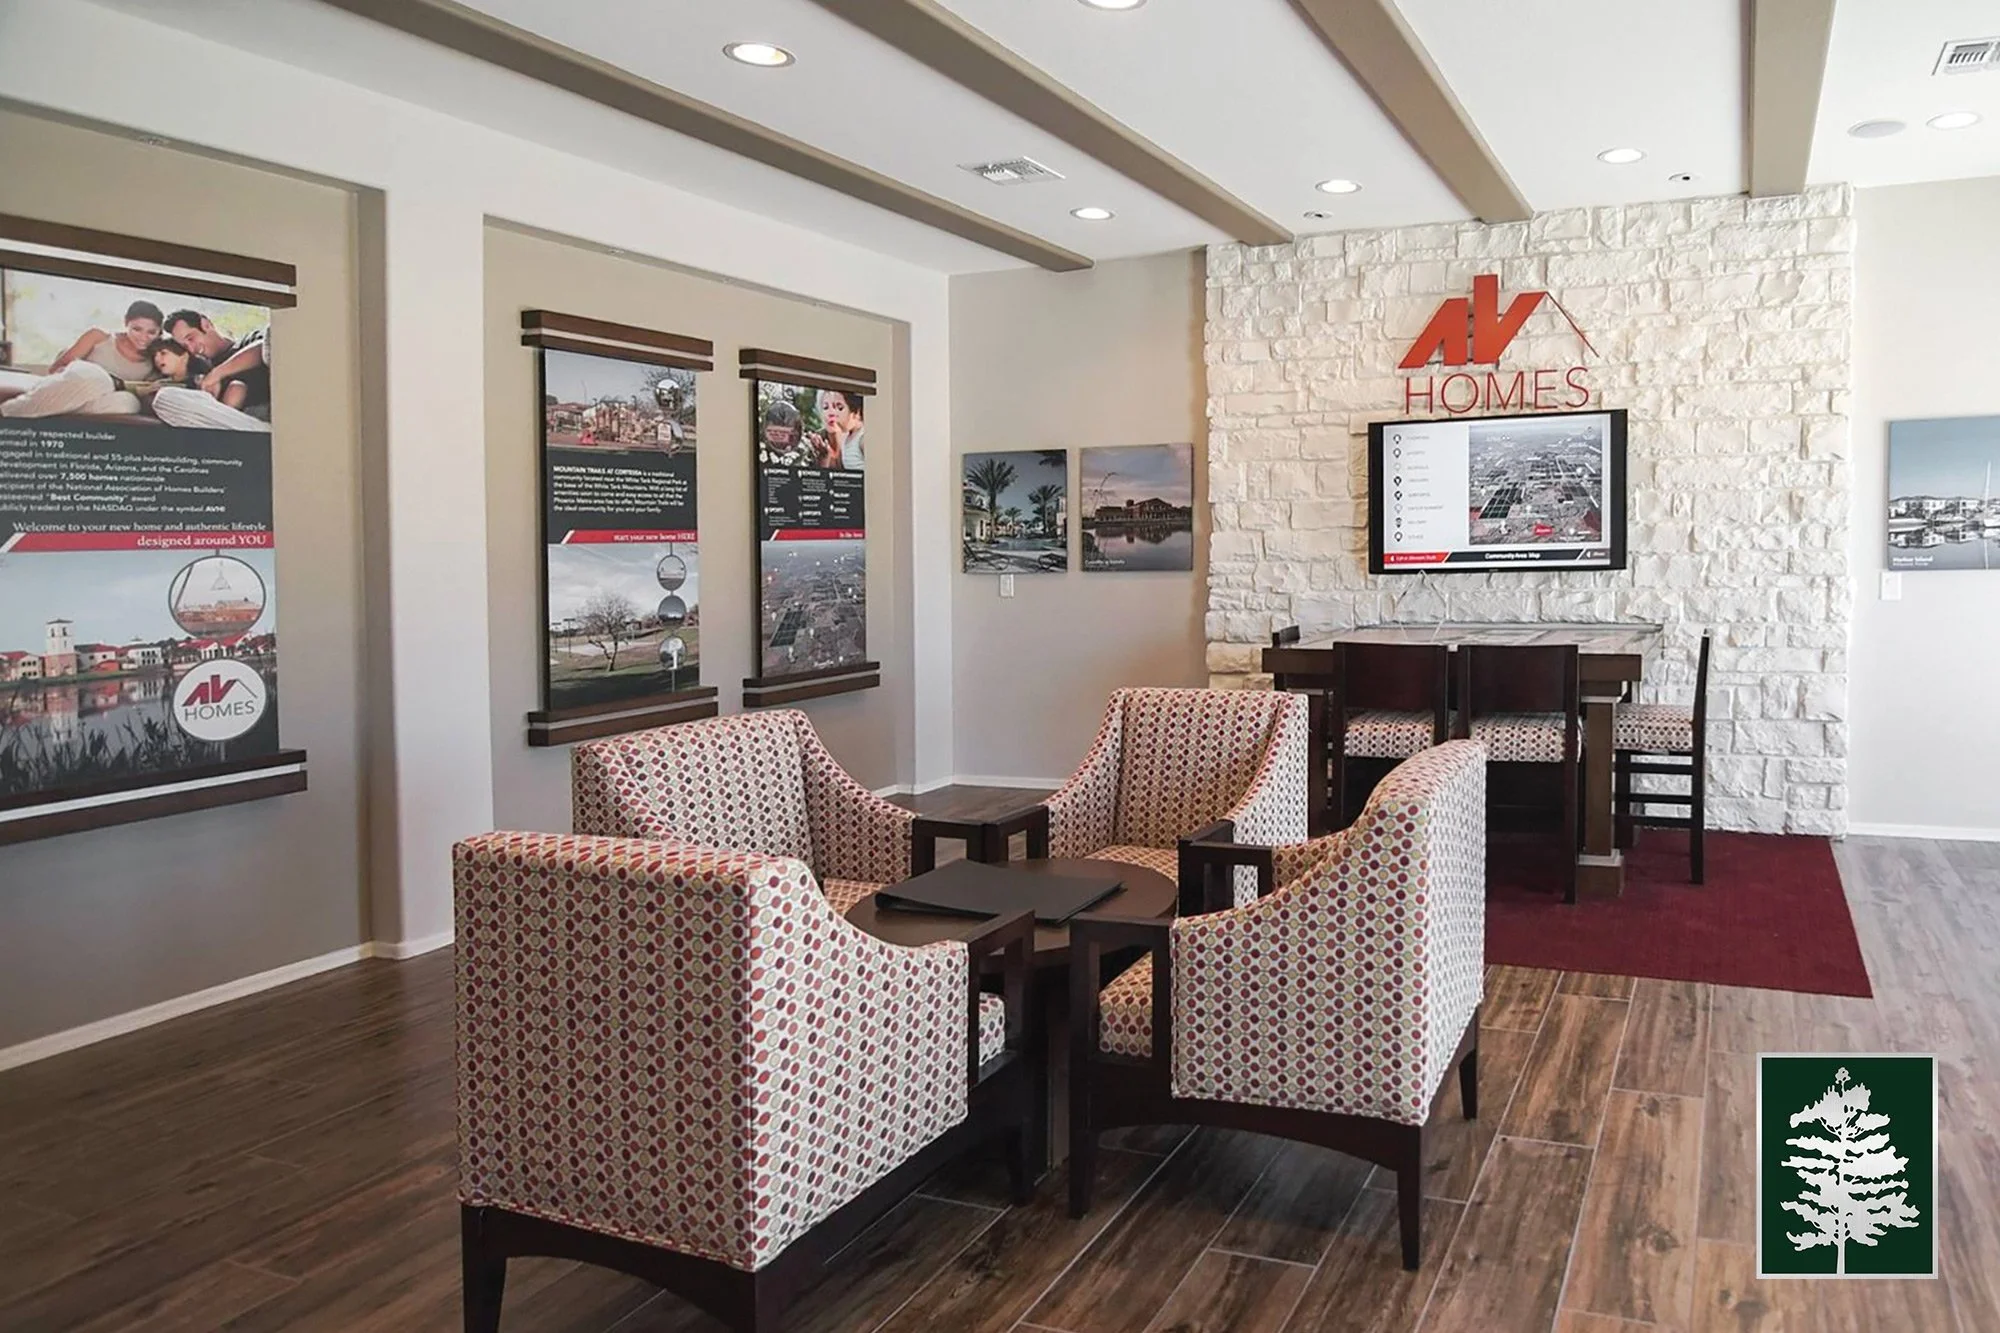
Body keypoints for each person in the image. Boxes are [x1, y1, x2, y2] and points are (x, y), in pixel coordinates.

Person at [0, 300, 161, 419]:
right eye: (137, 329)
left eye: (151, 332)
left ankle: (56, 410)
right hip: (77, 382)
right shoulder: (98, 337)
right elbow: (57, 368)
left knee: (128, 402)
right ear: (126, 323)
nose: (143, 337)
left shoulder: (156, 358)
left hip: (98, 399)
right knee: (99, 379)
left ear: (159, 332)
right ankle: (8, 412)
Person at [164, 309, 271, 421]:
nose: (191, 349)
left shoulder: (247, 341)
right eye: (185, 346)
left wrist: (216, 374)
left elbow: (265, 347)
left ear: (206, 325)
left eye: (191, 338)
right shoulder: (201, 370)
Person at [819, 389, 865, 469]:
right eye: (826, 407)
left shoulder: (862, 439)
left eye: (840, 408)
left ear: (856, 412)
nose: (833, 413)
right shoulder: (846, 437)